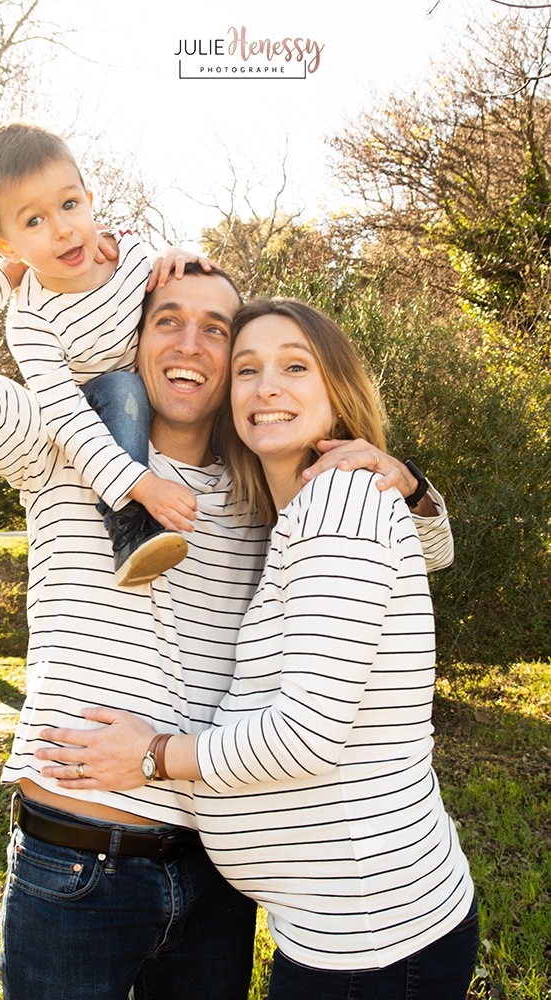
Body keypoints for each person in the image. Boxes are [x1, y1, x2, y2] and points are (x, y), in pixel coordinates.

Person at [0, 259, 453, 1000]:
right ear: (137, 337)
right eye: (168, 320)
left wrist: (400, 476)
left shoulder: (264, 488)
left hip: (213, 880)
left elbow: (427, 549)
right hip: (78, 867)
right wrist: (17, 255)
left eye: (215, 330)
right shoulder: (63, 445)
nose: (189, 343)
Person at [43, 299, 477, 1000]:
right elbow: (433, 550)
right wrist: (414, 487)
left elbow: (305, 736)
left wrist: (152, 755)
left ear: (337, 392)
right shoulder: (304, 514)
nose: (266, 386)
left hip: (372, 938)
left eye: (294, 366)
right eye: (246, 370)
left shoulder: (339, 506)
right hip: (341, 928)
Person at [0, 121, 208, 585]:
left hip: (159, 390)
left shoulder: (129, 255)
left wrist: (179, 258)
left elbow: (175, 309)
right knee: (124, 387)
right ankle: (129, 528)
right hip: (97, 409)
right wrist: (143, 485)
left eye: (70, 205)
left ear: (90, 203)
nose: (63, 230)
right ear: (6, 247)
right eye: (34, 220)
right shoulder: (31, 320)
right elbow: (66, 418)